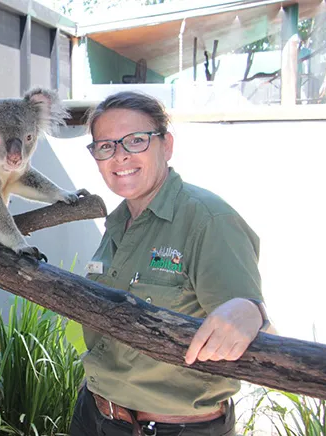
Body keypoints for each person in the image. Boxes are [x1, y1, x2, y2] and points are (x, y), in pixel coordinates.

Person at [69, 91, 270, 436]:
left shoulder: (208, 220)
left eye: (136, 140)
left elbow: (246, 318)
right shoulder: (118, 222)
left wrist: (252, 311)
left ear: (167, 146)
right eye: (106, 146)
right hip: (95, 413)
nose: (120, 155)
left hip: (173, 428)